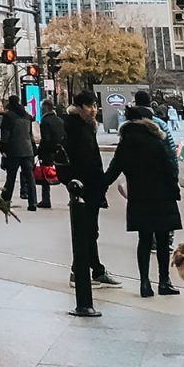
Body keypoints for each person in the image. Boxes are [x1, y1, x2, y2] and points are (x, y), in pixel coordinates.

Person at [103, 104, 182, 296]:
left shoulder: (125, 145)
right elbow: (170, 168)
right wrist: (174, 191)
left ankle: (144, 283)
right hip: (162, 196)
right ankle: (164, 281)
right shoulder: (157, 141)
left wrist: (99, 186)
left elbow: (113, 171)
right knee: (163, 241)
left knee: (144, 240)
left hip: (139, 197)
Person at [62, 90, 121, 313]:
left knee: (90, 230)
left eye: (95, 105)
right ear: (79, 107)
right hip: (84, 187)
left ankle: (95, 269)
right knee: (85, 230)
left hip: (91, 186)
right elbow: (82, 160)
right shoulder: (74, 128)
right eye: (88, 106)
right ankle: (79, 271)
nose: (93, 109)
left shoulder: (86, 127)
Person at [0, 94, 37, 210]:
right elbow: (30, 135)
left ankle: (6, 201)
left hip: (13, 150)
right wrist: (34, 149)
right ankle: (33, 203)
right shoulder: (27, 116)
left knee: (11, 177)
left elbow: (5, 134)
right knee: (30, 177)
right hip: (27, 150)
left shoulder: (8, 116)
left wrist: (3, 148)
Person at [37, 97, 65, 209]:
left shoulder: (45, 121)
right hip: (60, 151)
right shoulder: (60, 120)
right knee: (63, 174)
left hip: (48, 152)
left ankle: (46, 199)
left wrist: (40, 152)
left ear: (45, 108)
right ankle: (73, 195)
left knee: (45, 176)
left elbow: (46, 139)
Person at [134, 88, 177, 161]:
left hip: (136, 165)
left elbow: (121, 151)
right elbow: (170, 146)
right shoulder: (159, 123)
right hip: (158, 164)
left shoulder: (128, 124)